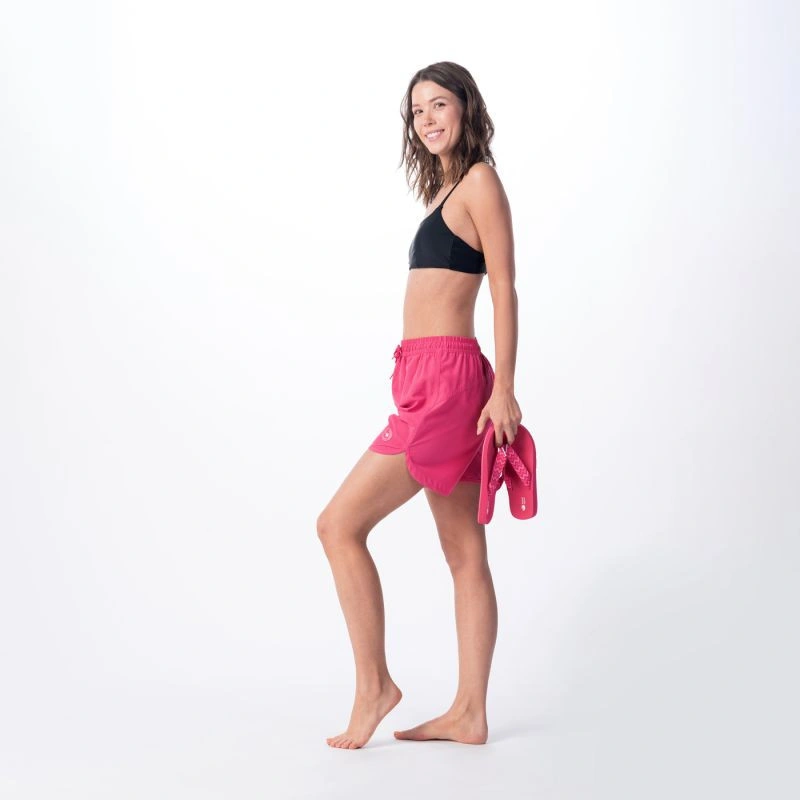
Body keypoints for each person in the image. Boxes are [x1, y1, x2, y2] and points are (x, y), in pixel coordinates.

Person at [317, 61, 521, 749]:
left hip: (448, 386)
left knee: (338, 525)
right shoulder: (445, 191)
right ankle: (469, 713)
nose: (428, 119)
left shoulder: (480, 182)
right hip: (428, 378)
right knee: (463, 551)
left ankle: (375, 687)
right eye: (417, 110)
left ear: (466, 107)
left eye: (439, 104)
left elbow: (505, 288)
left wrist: (504, 388)